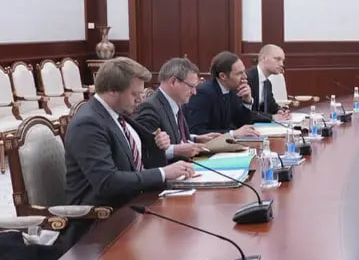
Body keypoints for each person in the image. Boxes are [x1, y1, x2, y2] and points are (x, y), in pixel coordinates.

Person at [64, 58, 196, 208]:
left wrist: (157, 144)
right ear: (112, 90)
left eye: (141, 94)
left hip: (135, 201)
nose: (140, 100)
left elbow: (134, 162)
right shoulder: (88, 124)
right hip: (104, 213)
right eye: (135, 94)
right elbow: (107, 182)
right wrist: (163, 173)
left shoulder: (118, 115)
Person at [135, 58, 222, 161]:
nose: (194, 92)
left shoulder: (176, 103)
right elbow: (145, 151)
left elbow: (177, 137)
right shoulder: (150, 108)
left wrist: (196, 138)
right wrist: (175, 150)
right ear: (173, 82)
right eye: (191, 86)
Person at [184, 51, 261, 137]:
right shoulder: (204, 93)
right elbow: (196, 131)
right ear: (223, 76)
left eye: (243, 71)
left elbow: (242, 125)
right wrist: (232, 133)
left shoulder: (233, 90)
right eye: (239, 73)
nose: (245, 77)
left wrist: (247, 101)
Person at [246, 44, 291, 122]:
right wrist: (272, 117)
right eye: (277, 59)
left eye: (282, 61)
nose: (281, 64)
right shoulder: (247, 78)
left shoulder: (267, 83)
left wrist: (280, 111)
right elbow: (245, 112)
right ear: (264, 58)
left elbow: (272, 106)